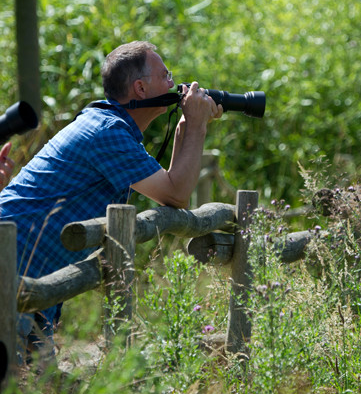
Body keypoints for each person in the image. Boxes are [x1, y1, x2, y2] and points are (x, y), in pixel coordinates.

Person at [0, 41, 222, 365]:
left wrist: (188, 125)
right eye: (166, 75)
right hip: (12, 261)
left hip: (29, 267)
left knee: (28, 391)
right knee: (14, 388)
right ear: (141, 88)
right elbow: (177, 194)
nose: (174, 84)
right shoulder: (108, 132)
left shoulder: (109, 126)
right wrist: (198, 125)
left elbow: (172, 186)